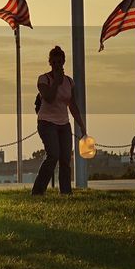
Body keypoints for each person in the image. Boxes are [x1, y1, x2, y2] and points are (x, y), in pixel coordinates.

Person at [30, 46, 88, 196]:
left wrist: (81, 125)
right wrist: (56, 81)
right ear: (50, 62)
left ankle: (66, 192)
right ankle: (38, 190)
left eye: (59, 62)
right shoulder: (44, 79)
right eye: (54, 62)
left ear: (63, 62)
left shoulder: (69, 82)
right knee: (53, 155)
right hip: (47, 122)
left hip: (64, 123)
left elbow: (72, 104)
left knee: (65, 159)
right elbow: (48, 98)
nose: (57, 65)